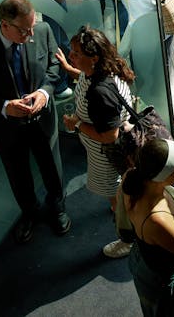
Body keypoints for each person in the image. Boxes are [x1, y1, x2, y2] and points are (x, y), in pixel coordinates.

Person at [0, 0, 69, 244]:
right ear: (4, 24)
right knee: (17, 172)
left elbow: (54, 65)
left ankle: (57, 206)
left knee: (52, 164)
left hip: (41, 116)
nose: (30, 35)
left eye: (32, 26)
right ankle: (30, 212)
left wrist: (44, 92)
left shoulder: (42, 30)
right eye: (23, 30)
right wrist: (5, 107)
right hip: (5, 125)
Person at [56, 27, 135, 259]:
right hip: (106, 151)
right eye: (71, 51)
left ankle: (127, 236)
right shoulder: (103, 70)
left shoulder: (100, 92)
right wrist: (70, 69)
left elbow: (109, 136)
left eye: (77, 53)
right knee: (121, 190)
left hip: (107, 155)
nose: (71, 55)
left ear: (94, 58)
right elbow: (84, 77)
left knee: (117, 196)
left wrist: (77, 125)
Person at [121, 138, 174, 316]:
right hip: (162, 277)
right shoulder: (158, 220)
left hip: (141, 257)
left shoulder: (131, 176)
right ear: (164, 177)